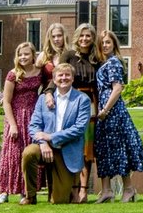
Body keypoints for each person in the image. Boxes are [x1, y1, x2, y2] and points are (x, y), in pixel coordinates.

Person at [44, 23, 101, 203]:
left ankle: (84, 190)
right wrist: (48, 93)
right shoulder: (68, 55)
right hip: (70, 102)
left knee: (87, 150)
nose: (85, 39)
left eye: (88, 36)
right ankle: (73, 190)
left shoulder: (96, 57)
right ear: (77, 36)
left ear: (92, 38)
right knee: (73, 145)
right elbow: (57, 75)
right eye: (82, 35)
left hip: (90, 103)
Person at [20, 63, 91, 205]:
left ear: (72, 78)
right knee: (28, 153)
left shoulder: (82, 99)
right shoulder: (43, 99)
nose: (63, 78)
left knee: (59, 201)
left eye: (67, 75)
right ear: (54, 78)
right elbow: (34, 126)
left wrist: (51, 136)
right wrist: (43, 143)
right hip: (44, 147)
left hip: (67, 150)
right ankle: (30, 196)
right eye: (60, 75)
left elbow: (79, 128)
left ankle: (64, 191)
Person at [0, 42, 51, 205]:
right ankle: (4, 191)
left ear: (33, 55)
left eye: (26, 54)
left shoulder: (40, 72)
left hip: (33, 117)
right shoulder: (13, 74)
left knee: (29, 155)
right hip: (16, 117)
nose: (23, 57)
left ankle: (27, 191)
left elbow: (49, 86)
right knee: (12, 154)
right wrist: (12, 125)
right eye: (20, 54)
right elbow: (7, 102)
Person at [94, 30, 143, 203]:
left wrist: (105, 110)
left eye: (108, 42)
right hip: (105, 112)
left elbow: (117, 88)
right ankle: (106, 190)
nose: (105, 45)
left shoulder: (114, 63)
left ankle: (129, 188)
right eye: (102, 43)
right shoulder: (104, 63)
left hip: (113, 112)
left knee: (119, 149)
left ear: (114, 44)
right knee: (104, 149)